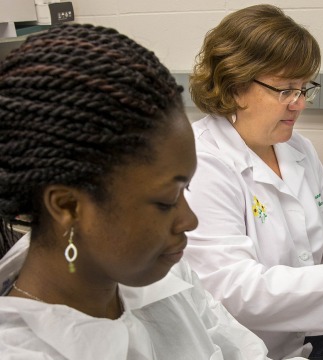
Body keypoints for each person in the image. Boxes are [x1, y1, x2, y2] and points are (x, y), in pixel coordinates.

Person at [0, 23, 307, 360]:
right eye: (165, 201)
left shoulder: (166, 272)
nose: (189, 220)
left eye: (186, 189)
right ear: (68, 206)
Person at [184, 5, 323, 359]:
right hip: (248, 351)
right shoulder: (200, 163)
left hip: (309, 336)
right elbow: (235, 288)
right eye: (286, 90)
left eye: (304, 89)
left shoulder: (296, 148)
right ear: (235, 86)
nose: (300, 105)